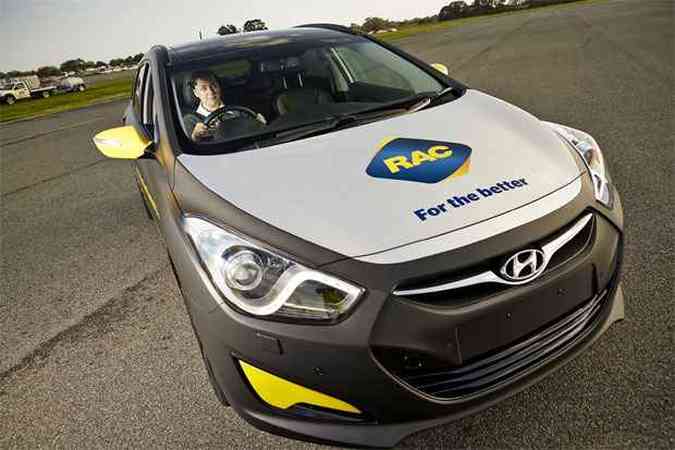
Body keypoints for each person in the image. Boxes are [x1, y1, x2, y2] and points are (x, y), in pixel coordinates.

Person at [183, 71, 266, 142]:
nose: (211, 91)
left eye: (213, 85)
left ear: (219, 86)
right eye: (204, 88)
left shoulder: (239, 110)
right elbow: (190, 149)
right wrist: (195, 136)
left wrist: (260, 123)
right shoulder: (190, 120)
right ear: (196, 93)